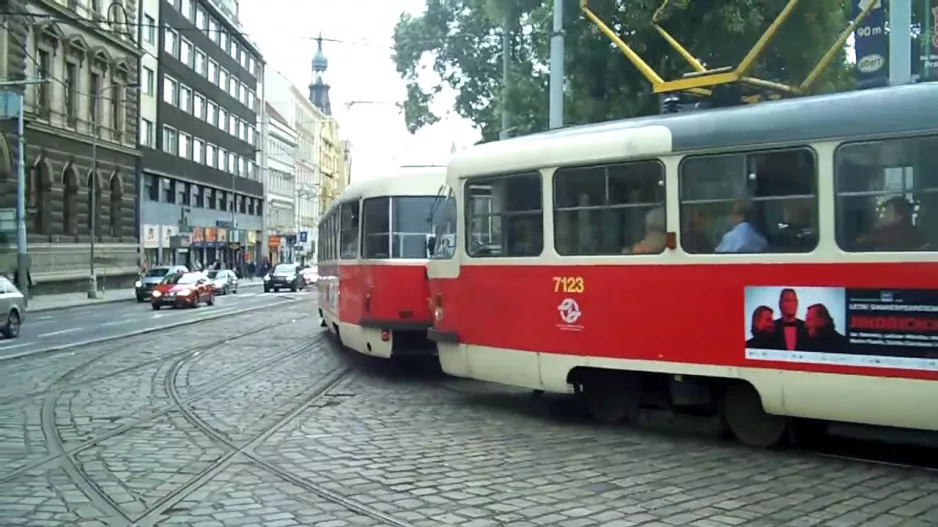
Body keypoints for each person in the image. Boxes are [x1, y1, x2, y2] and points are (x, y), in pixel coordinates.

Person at [854, 197, 927, 251]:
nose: (884, 215)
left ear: (899, 216)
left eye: (887, 212)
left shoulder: (899, 232)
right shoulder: (915, 230)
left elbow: (865, 241)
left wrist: (875, 228)